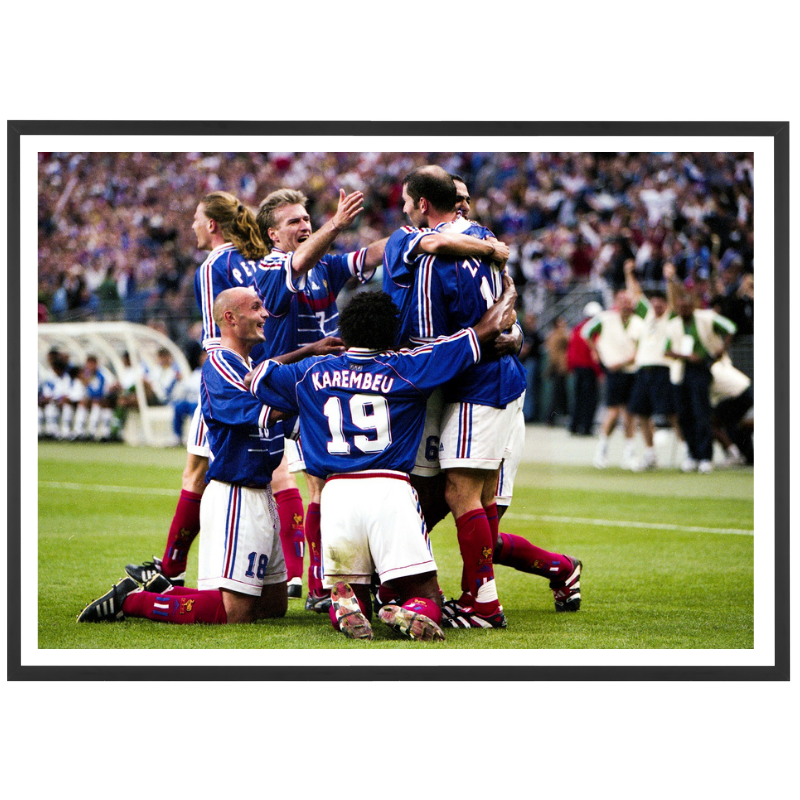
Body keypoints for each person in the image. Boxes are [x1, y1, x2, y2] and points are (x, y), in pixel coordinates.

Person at [244, 283, 518, 641]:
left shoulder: (311, 372)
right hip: (390, 489)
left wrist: (307, 350)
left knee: (354, 588)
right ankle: (414, 610)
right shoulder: (409, 367)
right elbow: (484, 331)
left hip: (336, 494)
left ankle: (345, 607)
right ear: (391, 333)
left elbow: (255, 377)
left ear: (345, 332)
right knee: (426, 593)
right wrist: (508, 296)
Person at [124, 189, 362, 591]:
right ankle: (294, 574)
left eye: (196, 219)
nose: (193, 226)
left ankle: (172, 569)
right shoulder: (263, 258)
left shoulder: (214, 265)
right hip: (273, 371)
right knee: (285, 475)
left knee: (196, 471)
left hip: (234, 375)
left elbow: (215, 340)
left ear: (211, 224)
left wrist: (223, 386)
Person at [382, 166, 582, 627]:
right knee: (449, 499)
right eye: (461, 198)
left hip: (473, 383)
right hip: (471, 383)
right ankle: (547, 573)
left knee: (466, 498)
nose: (466, 205)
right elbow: (499, 302)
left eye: (408, 203)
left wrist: (506, 335)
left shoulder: (429, 248)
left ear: (421, 204)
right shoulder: (482, 241)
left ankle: (481, 602)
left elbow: (442, 335)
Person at [78, 287, 294, 625]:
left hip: (261, 493)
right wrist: (303, 396)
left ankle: (162, 590)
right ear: (230, 318)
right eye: (255, 307)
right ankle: (132, 601)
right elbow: (250, 412)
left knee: (273, 606)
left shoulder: (250, 366)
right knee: (235, 614)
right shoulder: (219, 364)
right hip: (236, 496)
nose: (265, 314)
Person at [253, 188, 387, 608]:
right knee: (320, 486)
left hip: (328, 386)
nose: (304, 225)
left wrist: (416, 237)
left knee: (332, 485)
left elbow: (369, 255)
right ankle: (319, 586)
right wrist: (336, 223)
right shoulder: (271, 266)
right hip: (294, 388)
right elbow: (299, 261)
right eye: (293, 221)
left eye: (306, 218)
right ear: (273, 235)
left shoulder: (324, 266)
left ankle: (333, 582)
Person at [664, 283, 737, 473]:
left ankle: (705, 456)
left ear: (692, 306)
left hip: (701, 369)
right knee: (684, 415)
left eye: (686, 307)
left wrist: (721, 349)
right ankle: (692, 455)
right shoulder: (673, 325)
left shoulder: (706, 318)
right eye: (680, 307)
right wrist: (686, 356)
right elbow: (667, 350)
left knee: (701, 413)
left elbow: (730, 327)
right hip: (681, 371)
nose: (683, 310)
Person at [623, 260, 683, 470]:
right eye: (654, 302)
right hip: (643, 370)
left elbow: (675, 299)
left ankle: (686, 449)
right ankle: (650, 453)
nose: (656, 306)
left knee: (671, 412)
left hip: (661, 369)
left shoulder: (670, 317)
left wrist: (670, 279)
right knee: (642, 412)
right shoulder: (648, 315)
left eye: (660, 303)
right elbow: (635, 294)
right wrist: (628, 273)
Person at [582, 287, 643, 469]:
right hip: (614, 373)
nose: (626, 305)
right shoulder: (606, 318)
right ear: (616, 302)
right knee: (613, 412)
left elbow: (641, 347)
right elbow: (586, 332)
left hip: (632, 371)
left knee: (630, 413)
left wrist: (627, 360)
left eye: (628, 301)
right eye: (622, 301)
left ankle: (629, 454)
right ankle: (602, 450)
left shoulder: (638, 323)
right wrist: (596, 352)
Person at [710, 356, 754, 467]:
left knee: (714, 423)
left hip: (740, 394)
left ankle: (735, 455)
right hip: (745, 391)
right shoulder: (719, 365)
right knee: (731, 424)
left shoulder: (708, 371)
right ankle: (746, 456)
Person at [567, 301, 603, 436]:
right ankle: (586, 427)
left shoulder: (576, 329)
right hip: (590, 370)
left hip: (577, 369)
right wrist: (599, 372)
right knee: (590, 400)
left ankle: (574, 426)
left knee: (578, 398)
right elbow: (594, 353)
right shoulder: (593, 331)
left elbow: (570, 351)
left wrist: (571, 367)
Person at [544, 315, 570, 426]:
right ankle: (551, 418)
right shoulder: (559, 335)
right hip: (559, 367)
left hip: (558, 366)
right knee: (557, 394)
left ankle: (554, 417)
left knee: (560, 393)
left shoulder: (552, 335)